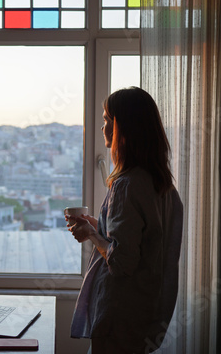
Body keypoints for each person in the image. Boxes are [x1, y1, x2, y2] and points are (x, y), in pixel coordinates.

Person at [67, 87, 184, 354]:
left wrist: (91, 235)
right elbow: (144, 245)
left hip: (119, 316)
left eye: (108, 120)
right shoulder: (165, 188)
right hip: (147, 314)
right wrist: (99, 226)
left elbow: (121, 262)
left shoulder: (126, 185)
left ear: (124, 128)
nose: (102, 127)